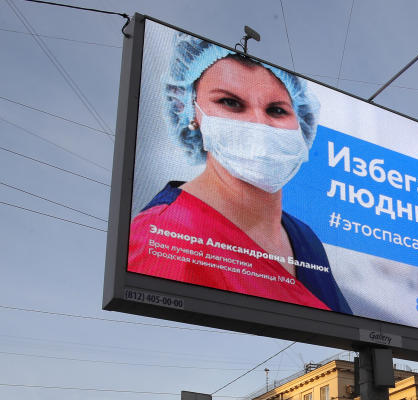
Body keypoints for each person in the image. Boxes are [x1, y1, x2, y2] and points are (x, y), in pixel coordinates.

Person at [128, 34, 351, 314]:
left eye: (277, 110)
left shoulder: (306, 240)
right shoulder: (161, 235)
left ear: (301, 123)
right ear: (190, 112)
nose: (260, 124)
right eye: (230, 103)